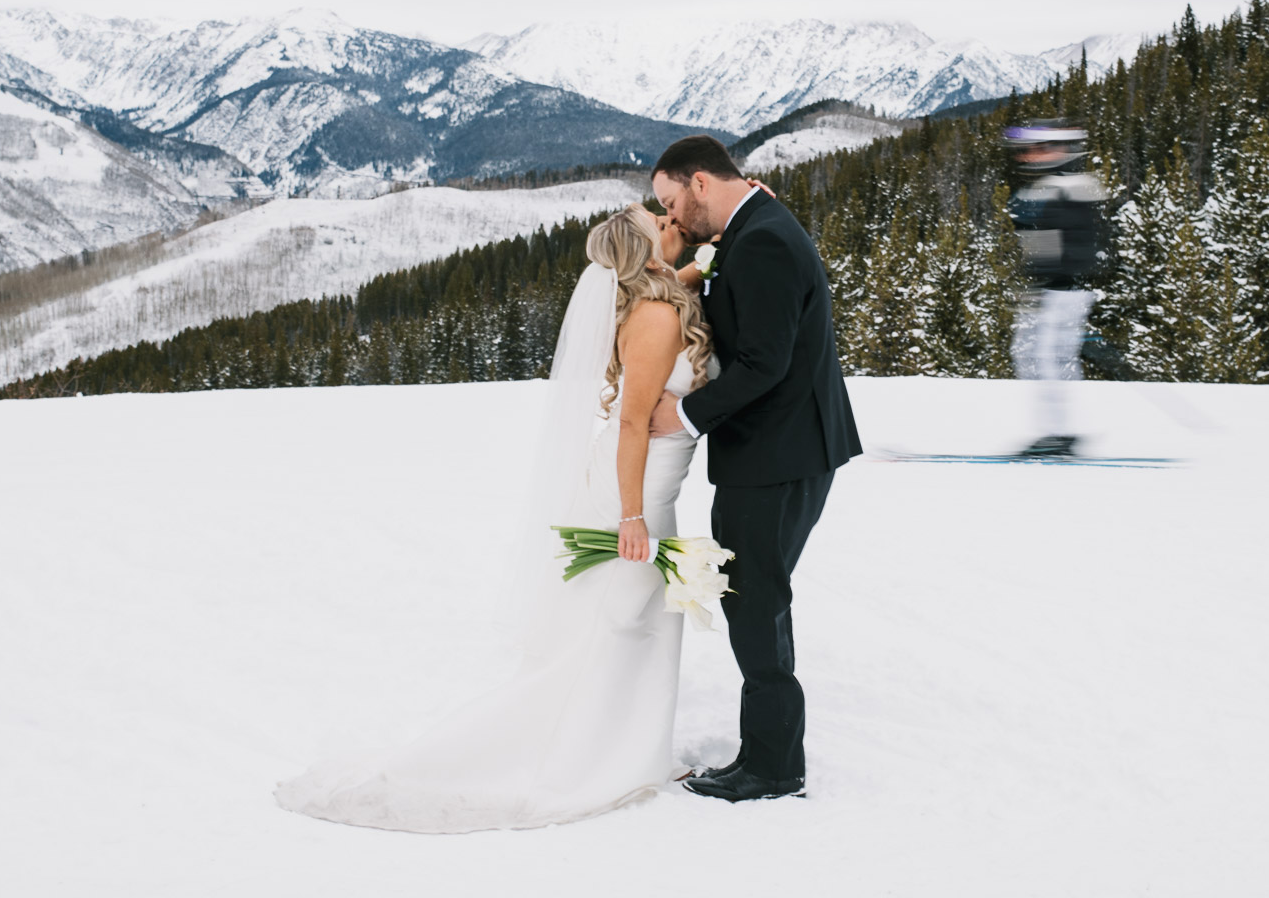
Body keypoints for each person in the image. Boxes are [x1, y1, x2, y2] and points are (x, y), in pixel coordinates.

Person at [275, 204, 716, 833]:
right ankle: (595, 758)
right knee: (620, 624)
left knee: (637, 620)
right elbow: (631, 423)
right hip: (635, 490)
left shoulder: (660, 298)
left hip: (649, 486)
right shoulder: (654, 316)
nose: (672, 223)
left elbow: (675, 289)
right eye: (661, 225)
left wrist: (703, 264)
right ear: (645, 255)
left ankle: (628, 749)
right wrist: (631, 516)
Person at [648, 135, 862, 803]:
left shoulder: (763, 238)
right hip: (782, 448)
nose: (673, 219)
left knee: (756, 601)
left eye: (672, 202)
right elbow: (732, 289)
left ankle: (772, 767)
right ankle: (769, 753)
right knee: (752, 595)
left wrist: (681, 417)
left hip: (780, 452)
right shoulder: (753, 225)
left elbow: (764, 363)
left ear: (702, 183)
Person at [1001, 120, 1110, 458]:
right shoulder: (1054, 187)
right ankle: (1056, 431)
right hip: (1055, 289)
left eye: (1035, 149)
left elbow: (1077, 247)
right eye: (1022, 151)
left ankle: (1058, 433)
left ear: (1060, 150)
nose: (1026, 157)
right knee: (1032, 354)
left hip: (1063, 291)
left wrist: (1058, 282)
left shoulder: (1069, 188)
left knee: (1046, 357)